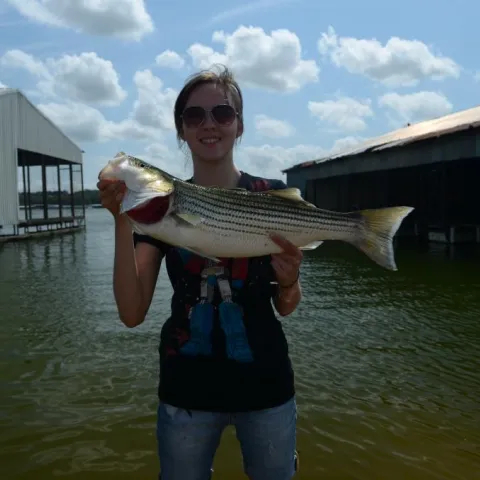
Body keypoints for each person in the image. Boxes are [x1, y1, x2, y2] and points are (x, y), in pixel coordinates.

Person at [97, 65, 304, 480]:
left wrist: (290, 280)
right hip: (186, 392)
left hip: (266, 386)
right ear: (181, 129)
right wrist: (122, 219)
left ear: (240, 125)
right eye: (194, 116)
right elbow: (132, 313)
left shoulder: (271, 196)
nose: (209, 125)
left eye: (222, 114)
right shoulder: (155, 214)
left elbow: (287, 307)